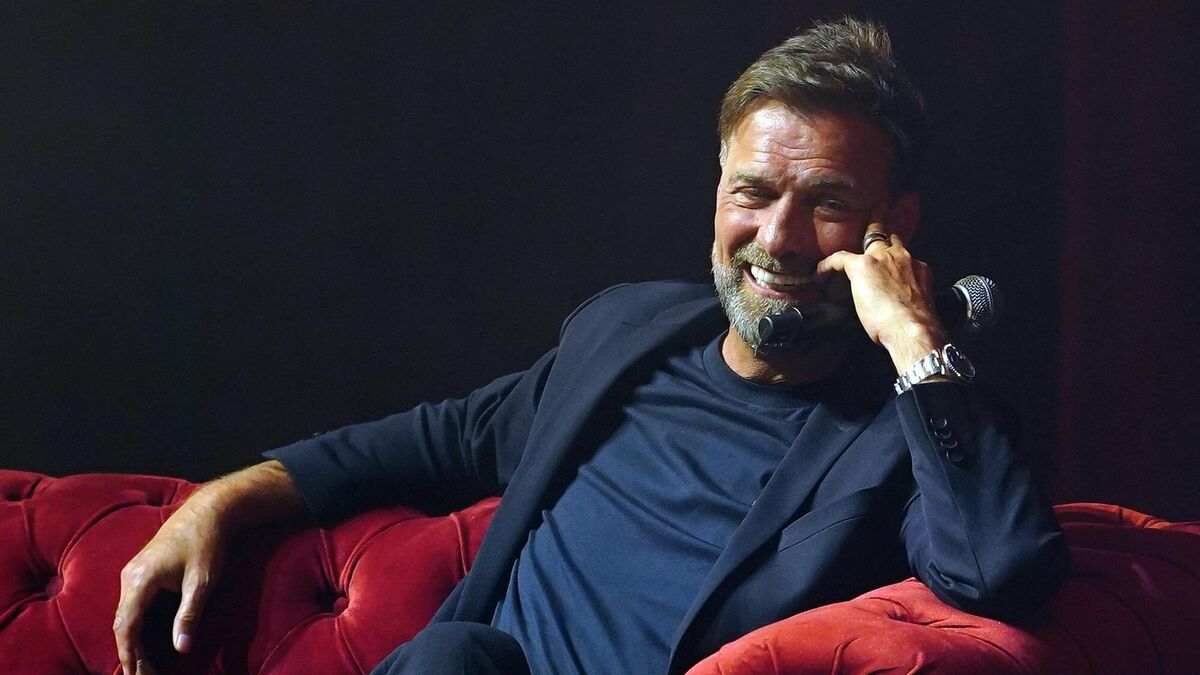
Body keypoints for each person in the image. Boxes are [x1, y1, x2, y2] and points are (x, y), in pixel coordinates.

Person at [113, 17, 1068, 675]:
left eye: (826, 203)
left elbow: (1000, 573)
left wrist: (914, 340)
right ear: (718, 192)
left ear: (893, 224)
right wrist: (217, 503)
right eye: (753, 193)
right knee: (455, 656)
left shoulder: (908, 427)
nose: (777, 239)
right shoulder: (626, 332)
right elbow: (429, 440)